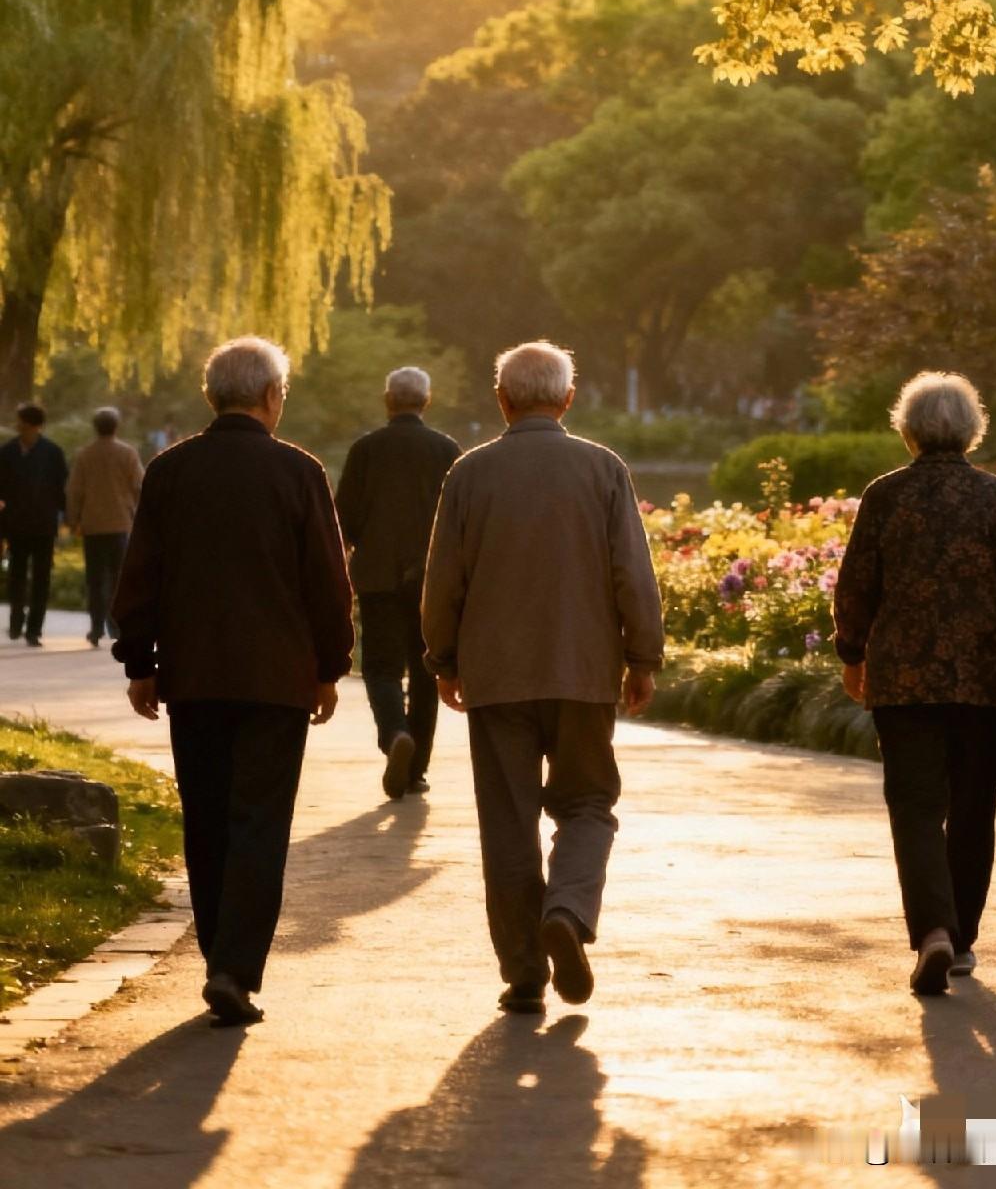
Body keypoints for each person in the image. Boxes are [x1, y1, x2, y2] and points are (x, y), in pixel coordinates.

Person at [111, 335, 354, 1028]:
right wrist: (329, 667)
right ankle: (234, 970)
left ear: (212, 396)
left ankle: (219, 953)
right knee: (260, 823)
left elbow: (142, 575)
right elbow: (327, 585)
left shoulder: (170, 470)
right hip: (277, 680)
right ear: (272, 397)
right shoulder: (299, 472)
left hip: (194, 677)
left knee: (208, 818)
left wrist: (141, 663)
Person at [422, 339, 665, 1016]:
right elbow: (632, 575)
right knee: (588, 804)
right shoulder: (602, 468)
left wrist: (443, 659)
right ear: (567, 399)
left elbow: (445, 581)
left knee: (508, 822)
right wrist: (642, 657)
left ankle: (524, 974)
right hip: (585, 671)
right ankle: (568, 907)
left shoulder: (471, 474)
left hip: (496, 676)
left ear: (502, 399)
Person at [833, 369, 996, 997]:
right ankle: (959, 943)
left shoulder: (886, 495)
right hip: (984, 680)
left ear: (907, 432)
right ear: (971, 431)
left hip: (904, 678)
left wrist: (852, 656)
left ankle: (932, 929)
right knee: (972, 809)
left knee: (914, 806)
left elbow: (857, 586)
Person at [335, 366, 459, 800]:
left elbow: (343, 517)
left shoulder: (366, 449)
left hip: (379, 577)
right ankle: (416, 769)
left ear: (388, 401)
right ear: (425, 402)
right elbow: (459, 519)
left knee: (382, 668)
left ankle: (394, 734)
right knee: (427, 671)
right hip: (431, 579)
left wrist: (348, 559)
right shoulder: (446, 449)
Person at [66, 406, 144, 647]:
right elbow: (140, 487)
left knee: (95, 579)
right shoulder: (127, 453)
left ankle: (96, 627)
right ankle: (116, 626)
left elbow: (74, 491)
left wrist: (73, 520)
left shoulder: (85, 455)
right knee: (119, 579)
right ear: (116, 426)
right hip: (121, 523)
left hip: (93, 526)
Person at [0, 402, 68, 647]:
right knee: (16, 576)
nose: (18, 425)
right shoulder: (7, 453)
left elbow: (61, 490)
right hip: (15, 524)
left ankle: (34, 629)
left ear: (34, 425)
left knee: (41, 578)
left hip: (43, 525)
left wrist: (65, 520)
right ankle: (16, 620)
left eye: (22, 422)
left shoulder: (52, 453)